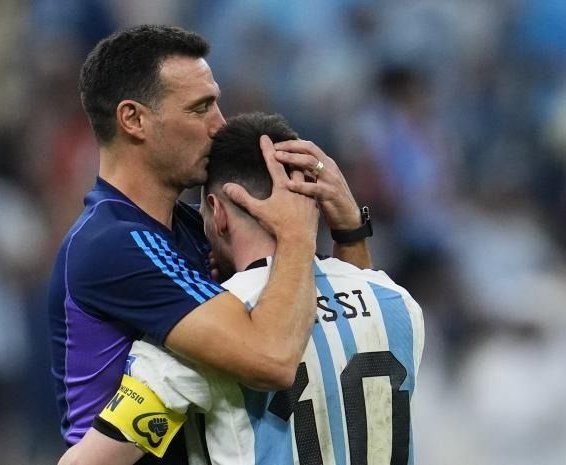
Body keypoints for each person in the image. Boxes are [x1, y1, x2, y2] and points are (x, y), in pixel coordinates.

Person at [49, 25, 374, 463]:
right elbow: (273, 359)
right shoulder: (111, 245)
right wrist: (299, 232)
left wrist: (350, 231)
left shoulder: (197, 228)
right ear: (133, 120)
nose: (220, 125)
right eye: (200, 108)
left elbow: (339, 331)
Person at [63, 113, 424, 465]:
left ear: (217, 213)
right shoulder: (398, 305)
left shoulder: (215, 335)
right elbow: (343, 332)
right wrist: (350, 231)